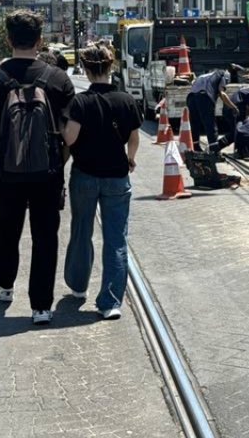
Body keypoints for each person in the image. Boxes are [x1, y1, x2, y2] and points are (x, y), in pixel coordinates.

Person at [0, 10, 75, 325]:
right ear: (40, 40)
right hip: (48, 172)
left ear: (9, 39)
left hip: (6, 171)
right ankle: (41, 306)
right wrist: (60, 161)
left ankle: (5, 286)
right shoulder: (59, 79)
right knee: (45, 235)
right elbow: (69, 134)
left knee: (7, 228)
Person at [62, 43, 142, 321]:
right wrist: (130, 158)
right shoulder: (126, 100)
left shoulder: (80, 102)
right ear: (112, 67)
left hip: (84, 175)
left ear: (84, 69)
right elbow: (133, 138)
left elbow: (70, 139)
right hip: (117, 177)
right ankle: (110, 302)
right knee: (116, 239)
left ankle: (78, 285)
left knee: (82, 230)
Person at [186, 66, 238, 150]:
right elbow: (222, 93)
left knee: (195, 124)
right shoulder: (223, 75)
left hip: (191, 97)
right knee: (210, 124)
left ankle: (195, 147)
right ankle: (214, 150)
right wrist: (233, 107)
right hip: (204, 97)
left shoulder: (204, 76)